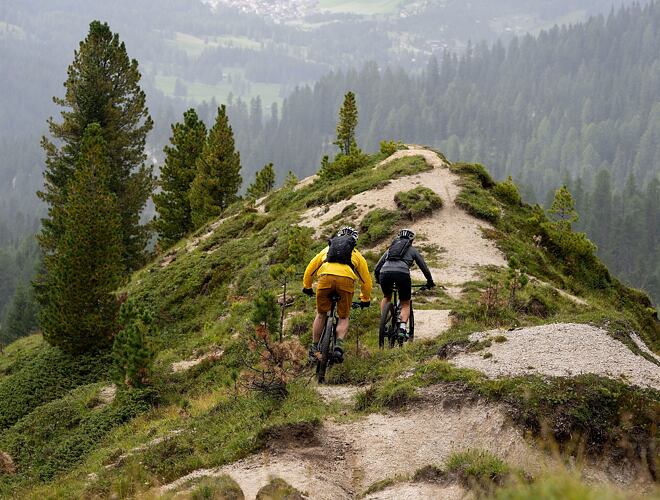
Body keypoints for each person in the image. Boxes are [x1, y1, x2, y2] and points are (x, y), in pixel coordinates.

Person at [302, 226, 372, 363]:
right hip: (346, 281)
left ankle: (314, 347)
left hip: (325, 278)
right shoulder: (356, 254)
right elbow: (366, 281)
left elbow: (310, 269)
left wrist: (307, 287)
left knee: (321, 314)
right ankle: (338, 347)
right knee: (343, 316)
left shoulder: (326, 251)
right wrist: (365, 299)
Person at [374, 228, 435, 340]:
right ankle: (402, 328)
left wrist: (378, 279)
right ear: (411, 240)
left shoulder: (390, 249)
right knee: (405, 303)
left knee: (387, 296)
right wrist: (430, 281)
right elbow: (424, 267)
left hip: (385, 273)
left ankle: (384, 322)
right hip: (402, 273)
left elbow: (377, 267)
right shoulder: (412, 250)